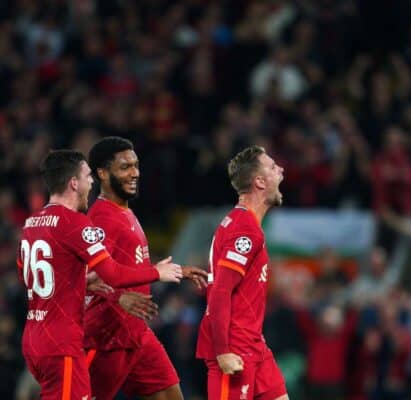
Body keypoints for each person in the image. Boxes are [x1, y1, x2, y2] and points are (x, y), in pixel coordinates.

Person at [17, 149, 182, 400]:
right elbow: (113, 274)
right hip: (62, 343)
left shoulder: (31, 223)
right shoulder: (76, 223)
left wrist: (79, 283)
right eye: (86, 176)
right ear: (74, 183)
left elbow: (29, 277)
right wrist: (156, 272)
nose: (91, 181)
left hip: (34, 339)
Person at [84, 136, 207, 400]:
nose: (135, 173)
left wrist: (168, 271)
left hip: (136, 333)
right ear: (103, 174)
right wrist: (118, 296)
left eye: (136, 165)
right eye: (125, 167)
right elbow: (84, 278)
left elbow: (122, 266)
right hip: (107, 337)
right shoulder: (101, 219)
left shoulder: (124, 212)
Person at [196, 145, 289, 400]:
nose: (280, 169)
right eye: (272, 167)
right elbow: (220, 290)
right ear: (259, 181)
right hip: (234, 348)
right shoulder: (244, 229)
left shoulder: (244, 223)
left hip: (254, 344)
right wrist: (223, 350)